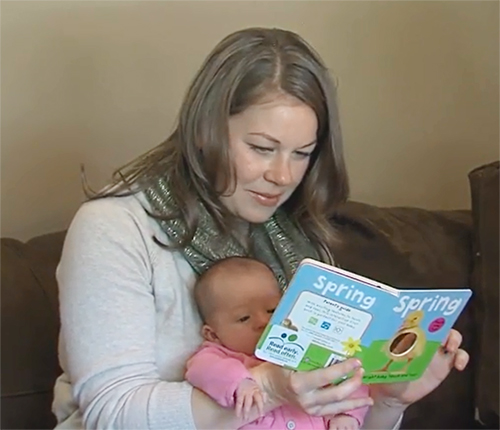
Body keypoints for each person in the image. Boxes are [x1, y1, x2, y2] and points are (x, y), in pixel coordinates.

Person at [52, 27, 469, 430]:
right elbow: (111, 415)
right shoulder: (115, 228)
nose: (283, 176)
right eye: (262, 149)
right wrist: (269, 390)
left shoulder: (296, 236)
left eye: (301, 154)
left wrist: (389, 400)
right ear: (204, 130)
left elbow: (320, 418)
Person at [186, 256, 370, 430]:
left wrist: (346, 415)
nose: (263, 322)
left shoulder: (303, 349)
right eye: (244, 318)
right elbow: (202, 371)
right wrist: (240, 382)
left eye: (272, 310)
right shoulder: (216, 356)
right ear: (213, 334)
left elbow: (345, 378)